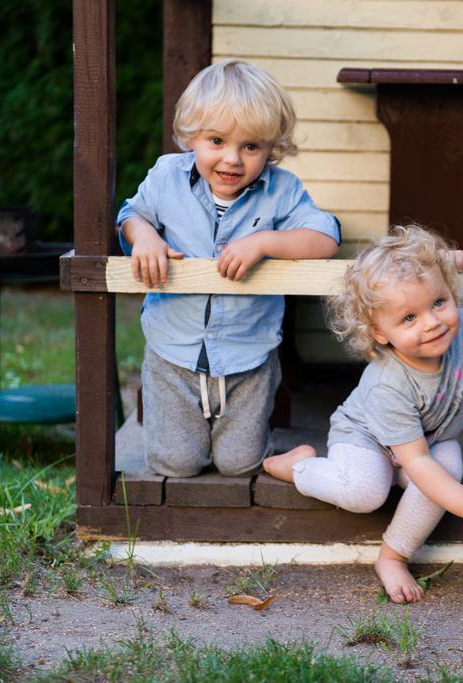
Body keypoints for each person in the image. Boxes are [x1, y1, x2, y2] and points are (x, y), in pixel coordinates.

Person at [264, 225, 463, 603]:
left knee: (447, 471)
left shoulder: (462, 330)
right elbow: (416, 462)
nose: (432, 322)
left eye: (438, 302)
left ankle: (394, 555)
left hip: (425, 437)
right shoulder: (389, 383)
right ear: (379, 333)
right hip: (365, 437)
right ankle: (299, 466)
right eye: (408, 318)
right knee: (366, 492)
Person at [117, 60, 340, 479]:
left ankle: (273, 449)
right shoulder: (167, 176)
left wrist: (265, 242)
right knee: (176, 465)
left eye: (251, 146)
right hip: (173, 348)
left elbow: (325, 236)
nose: (232, 159)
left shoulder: (282, 190)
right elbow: (131, 214)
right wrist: (144, 236)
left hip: (248, 352)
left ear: (271, 148)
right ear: (190, 137)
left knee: (239, 465)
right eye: (216, 141)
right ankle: (180, 433)